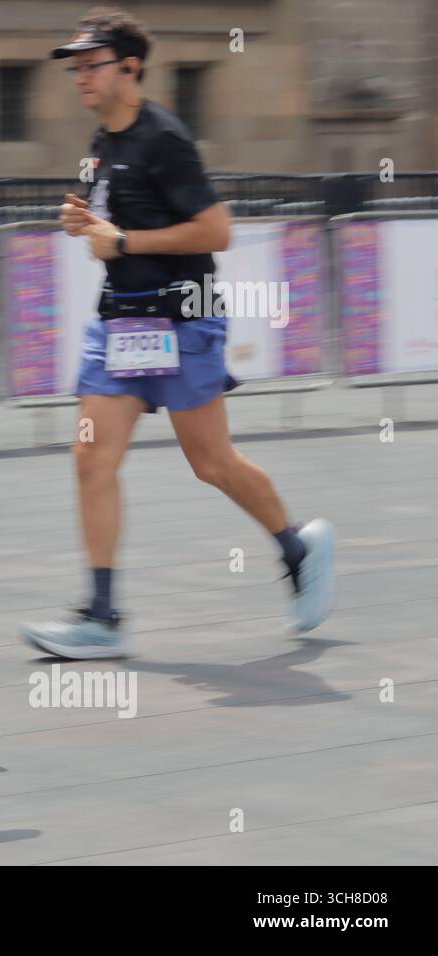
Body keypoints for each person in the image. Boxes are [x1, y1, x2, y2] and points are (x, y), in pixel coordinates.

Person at [21, 8, 335, 659]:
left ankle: (299, 546)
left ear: (130, 67)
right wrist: (87, 226)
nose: (80, 75)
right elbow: (108, 235)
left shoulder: (164, 138)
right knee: (90, 458)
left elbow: (217, 230)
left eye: (91, 63)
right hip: (119, 323)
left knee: (211, 462)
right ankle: (102, 617)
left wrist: (125, 238)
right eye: (74, 66)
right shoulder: (101, 142)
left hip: (181, 319)